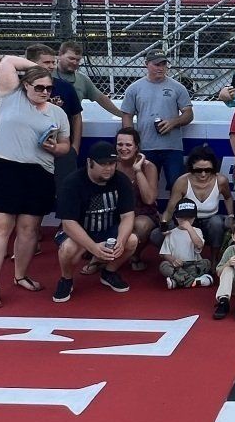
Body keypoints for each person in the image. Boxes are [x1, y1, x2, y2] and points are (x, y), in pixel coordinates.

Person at [0, 54, 75, 308]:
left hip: (38, 171)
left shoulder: (58, 113)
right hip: (2, 166)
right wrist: (41, 68)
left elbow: (65, 146)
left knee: (29, 229)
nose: (44, 91)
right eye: (39, 86)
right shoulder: (11, 96)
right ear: (26, 86)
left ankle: (20, 275)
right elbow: (8, 61)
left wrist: (55, 147)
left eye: (49, 88)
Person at [53, 139, 140, 302]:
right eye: (103, 164)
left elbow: (128, 216)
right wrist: (93, 248)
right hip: (79, 230)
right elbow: (68, 223)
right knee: (68, 249)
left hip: (108, 229)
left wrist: (120, 242)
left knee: (132, 240)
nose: (108, 168)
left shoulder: (122, 181)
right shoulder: (72, 183)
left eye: (112, 163)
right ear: (89, 162)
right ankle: (66, 279)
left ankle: (109, 272)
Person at [120, 51, 192, 198]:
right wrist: (131, 142)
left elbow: (188, 114)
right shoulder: (134, 88)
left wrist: (174, 122)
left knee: (177, 184)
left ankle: (177, 217)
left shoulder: (178, 87)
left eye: (163, 64)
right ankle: (149, 215)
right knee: (145, 185)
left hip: (172, 147)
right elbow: (127, 115)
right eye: (156, 64)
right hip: (146, 146)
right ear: (146, 64)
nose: (160, 68)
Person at [163, 143, 229, 254]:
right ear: (191, 168)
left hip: (210, 224)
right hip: (187, 221)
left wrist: (231, 216)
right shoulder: (182, 182)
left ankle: (214, 260)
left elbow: (228, 198)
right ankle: (179, 258)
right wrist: (163, 225)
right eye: (198, 170)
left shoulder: (221, 180)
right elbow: (170, 209)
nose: (203, 174)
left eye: (208, 170)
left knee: (216, 223)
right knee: (156, 235)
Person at [113, 128, 160, 268]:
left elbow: (149, 199)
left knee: (141, 225)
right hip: (115, 212)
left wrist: (138, 170)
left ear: (137, 147)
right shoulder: (110, 164)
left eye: (128, 145)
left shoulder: (149, 167)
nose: (124, 148)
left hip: (142, 213)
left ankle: (135, 255)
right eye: (120, 144)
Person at [59, 40, 126, 120]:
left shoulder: (82, 79)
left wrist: (122, 115)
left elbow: (101, 98)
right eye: (71, 58)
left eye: (78, 60)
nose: (74, 62)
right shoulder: (47, 76)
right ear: (60, 55)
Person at [160, 200, 213, 290]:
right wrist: (173, 260)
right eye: (183, 218)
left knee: (207, 263)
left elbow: (199, 245)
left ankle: (178, 280)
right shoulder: (171, 233)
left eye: (189, 218)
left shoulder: (197, 231)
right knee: (163, 265)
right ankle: (195, 281)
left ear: (194, 218)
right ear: (176, 217)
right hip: (177, 266)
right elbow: (164, 253)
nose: (186, 221)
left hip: (193, 263)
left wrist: (189, 229)